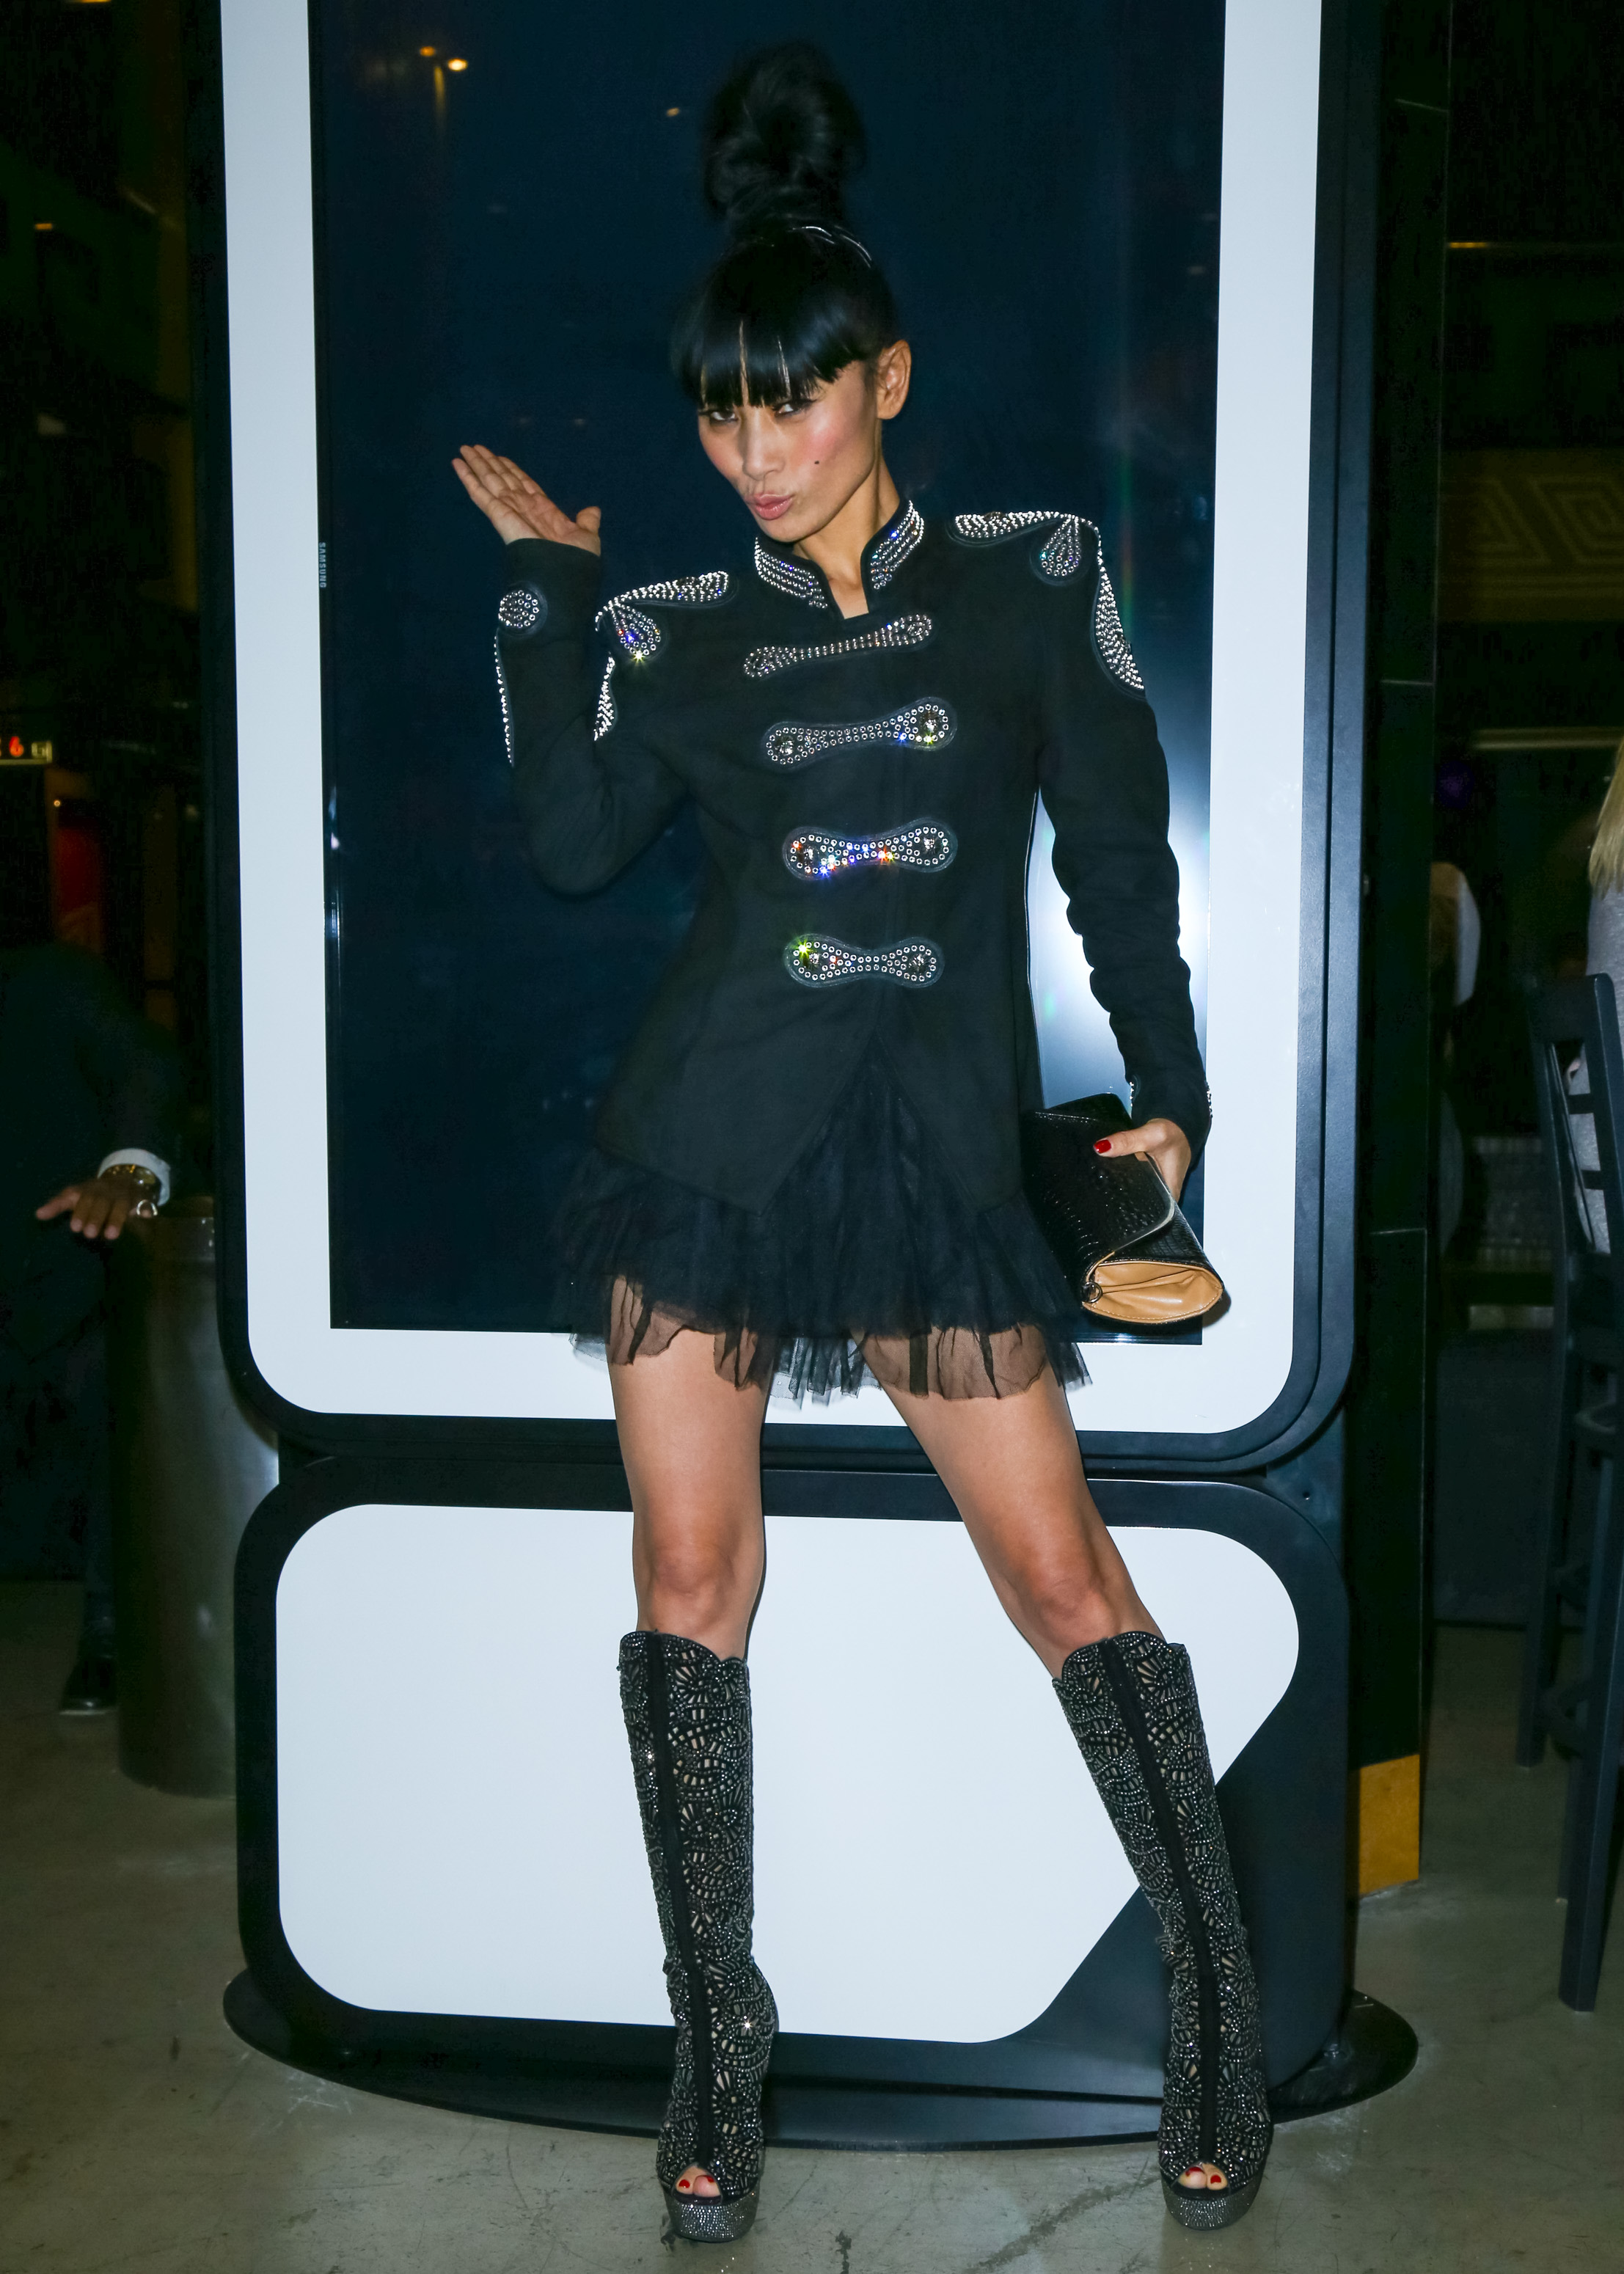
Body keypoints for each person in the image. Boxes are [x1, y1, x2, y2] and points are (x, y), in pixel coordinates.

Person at [454, 45, 1267, 2242]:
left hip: (929, 1157)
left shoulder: (1032, 578)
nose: (758, 449)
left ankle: (1213, 2003)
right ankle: (716, 2043)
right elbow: (572, 846)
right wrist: (546, 600)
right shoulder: (672, 627)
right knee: (688, 1585)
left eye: (794, 401)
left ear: (884, 379)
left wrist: (1169, 1090)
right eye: (724, 415)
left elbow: (1120, 865)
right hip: (701, 1154)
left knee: (1062, 1578)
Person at [0, 933, 180, 1713]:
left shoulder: (45, 980)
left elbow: (146, 1066)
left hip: (71, 1290)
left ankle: (112, 1633)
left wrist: (129, 1175)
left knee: (116, 1369)